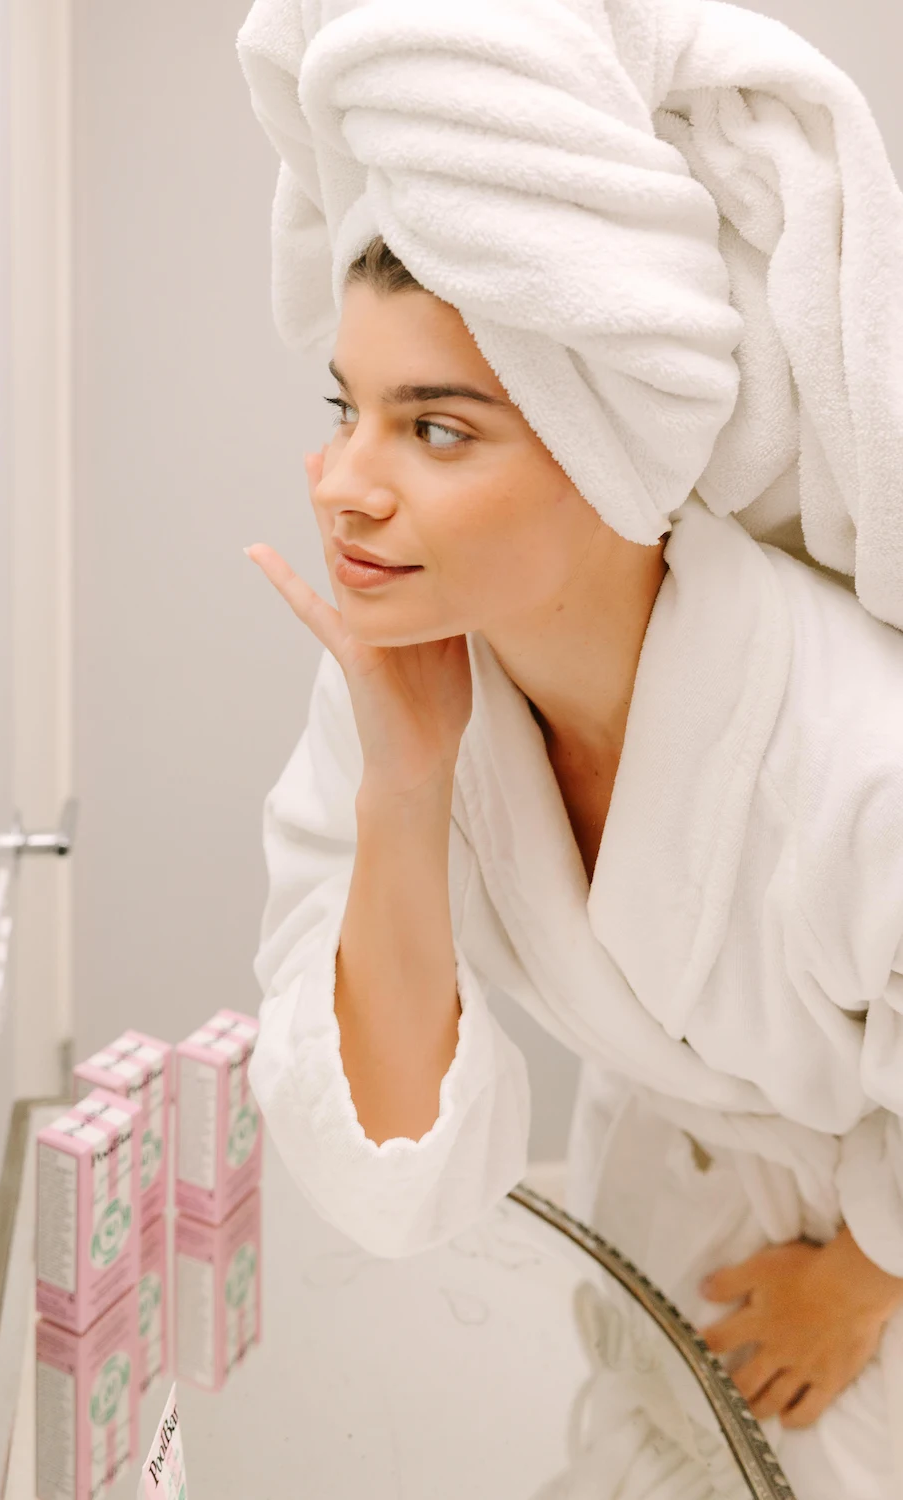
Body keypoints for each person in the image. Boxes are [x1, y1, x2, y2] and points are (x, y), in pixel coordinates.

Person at [243, 234, 903, 1499]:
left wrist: (864, 1278)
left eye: (434, 430)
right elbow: (391, 1176)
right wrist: (406, 780)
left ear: (613, 448)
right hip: (653, 1256)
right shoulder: (401, 690)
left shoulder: (848, 747)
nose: (343, 483)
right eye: (347, 409)